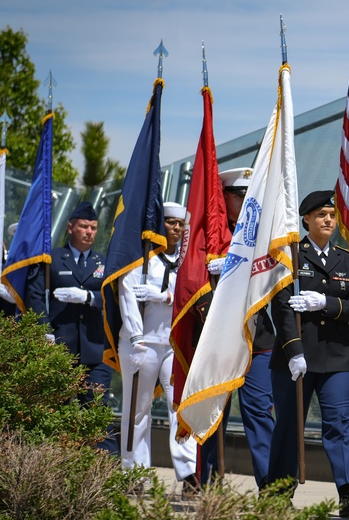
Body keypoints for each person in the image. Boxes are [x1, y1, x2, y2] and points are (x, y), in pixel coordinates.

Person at [266, 189, 349, 516]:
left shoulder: (346, 259)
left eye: (332, 215)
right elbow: (281, 308)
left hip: (337, 356)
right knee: (289, 425)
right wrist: (294, 350)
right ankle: (277, 495)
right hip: (295, 357)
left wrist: (327, 303)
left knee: (339, 423)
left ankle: (346, 491)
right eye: (321, 215)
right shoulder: (291, 257)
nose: (328, 220)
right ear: (306, 219)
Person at [195, 167, 276, 487]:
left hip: (256, 335)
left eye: (248, 195)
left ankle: (271, 486)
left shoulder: (261, 234)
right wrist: (209, 273)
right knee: (213, 412)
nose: (244, 201)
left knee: (258, 412)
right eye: (238, 195)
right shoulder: (206, 239)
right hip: (216, 338)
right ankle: (209, 482)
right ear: (223, 197)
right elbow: (189, 288)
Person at [116, 202, 198, 491]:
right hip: (142, 343)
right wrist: (136, 336)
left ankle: (189, 473)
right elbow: (127, 295)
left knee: (181, 407)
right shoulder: (141, 261)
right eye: (170, 223)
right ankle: (134, 473)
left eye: (180, 224)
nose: (175, 229)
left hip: (173, 344)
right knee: (137, 410)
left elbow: (192, 295)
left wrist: (165, 296)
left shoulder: (187, 263)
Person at [26, 201, 118, 455]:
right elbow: (34, 296)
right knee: (55, 410)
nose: (89, 232)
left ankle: (108, 469)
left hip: (95, 350)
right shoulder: (52, 259)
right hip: (60, 348)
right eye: (83, 227)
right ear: (70, 228)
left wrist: (89, 298)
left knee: (98, 410)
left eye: (93, 227)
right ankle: (54, 464)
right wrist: (43, 329)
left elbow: (114, 297)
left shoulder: (104, 262)